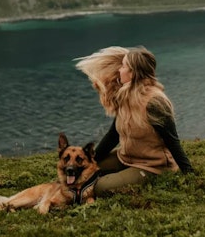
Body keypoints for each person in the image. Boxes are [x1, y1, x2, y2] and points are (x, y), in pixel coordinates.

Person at [75, 45, 194, 196]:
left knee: (101, 188)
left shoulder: (155, 103)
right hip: (124, 158)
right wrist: (91, 160)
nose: (119, 69)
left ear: (133, 73)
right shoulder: (125, 94)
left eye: (123, 66)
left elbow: (172, 141)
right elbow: (113, 136)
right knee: (81, 170)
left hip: (152, 166)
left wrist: (189, 176)